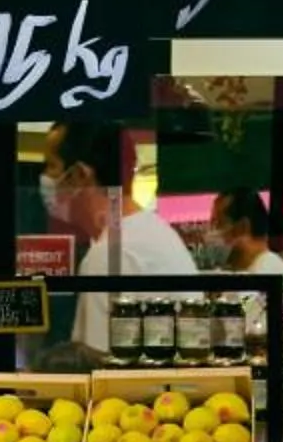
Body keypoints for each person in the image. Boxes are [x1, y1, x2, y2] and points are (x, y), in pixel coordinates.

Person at [46, 121, 198, 356]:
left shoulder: (110, 255)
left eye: (51, 166)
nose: (46, 178)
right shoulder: (151, 233)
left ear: (79, 175)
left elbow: (95, 368)